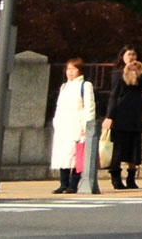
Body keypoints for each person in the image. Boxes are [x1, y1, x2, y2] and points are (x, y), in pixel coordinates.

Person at [49, 54, 99, 193]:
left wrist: (86, 126)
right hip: (63, 125)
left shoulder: (85, 85)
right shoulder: (64, 86)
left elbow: (89, 107)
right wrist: (56, 122)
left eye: (73, 69)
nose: (70, 72)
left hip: (77, 125)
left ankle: (74, 184)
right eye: (68, 69)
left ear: (80, 70)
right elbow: (59, 107)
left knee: (77, 157)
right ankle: (63, 183)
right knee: (63, 156)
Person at [104, 47, 142, 190]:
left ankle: (131, 177)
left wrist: (139, 73)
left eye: (134, 54)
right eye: (128, 54)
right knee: (118, 148)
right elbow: (114, 95)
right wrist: (109, 116)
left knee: (134, 148)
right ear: (122, 56)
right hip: (120, 114)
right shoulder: (118, 74)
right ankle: (116, 177)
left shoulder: (140, 72)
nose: (131, 57)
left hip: (135, 115)